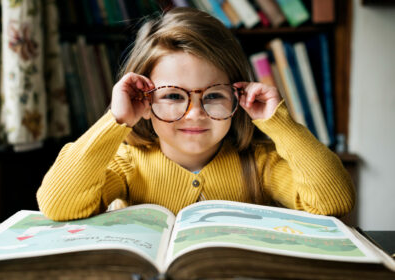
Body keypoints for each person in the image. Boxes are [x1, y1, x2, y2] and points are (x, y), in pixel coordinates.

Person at [37, 7, 354, 221]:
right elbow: (58, 205)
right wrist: (116, 121)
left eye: (213, 95)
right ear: (142, 102)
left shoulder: (259, 163)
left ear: (238, 97)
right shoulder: (126, 164)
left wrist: (281, 125)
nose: (194, 114)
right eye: (174, 96)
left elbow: (333, 202)